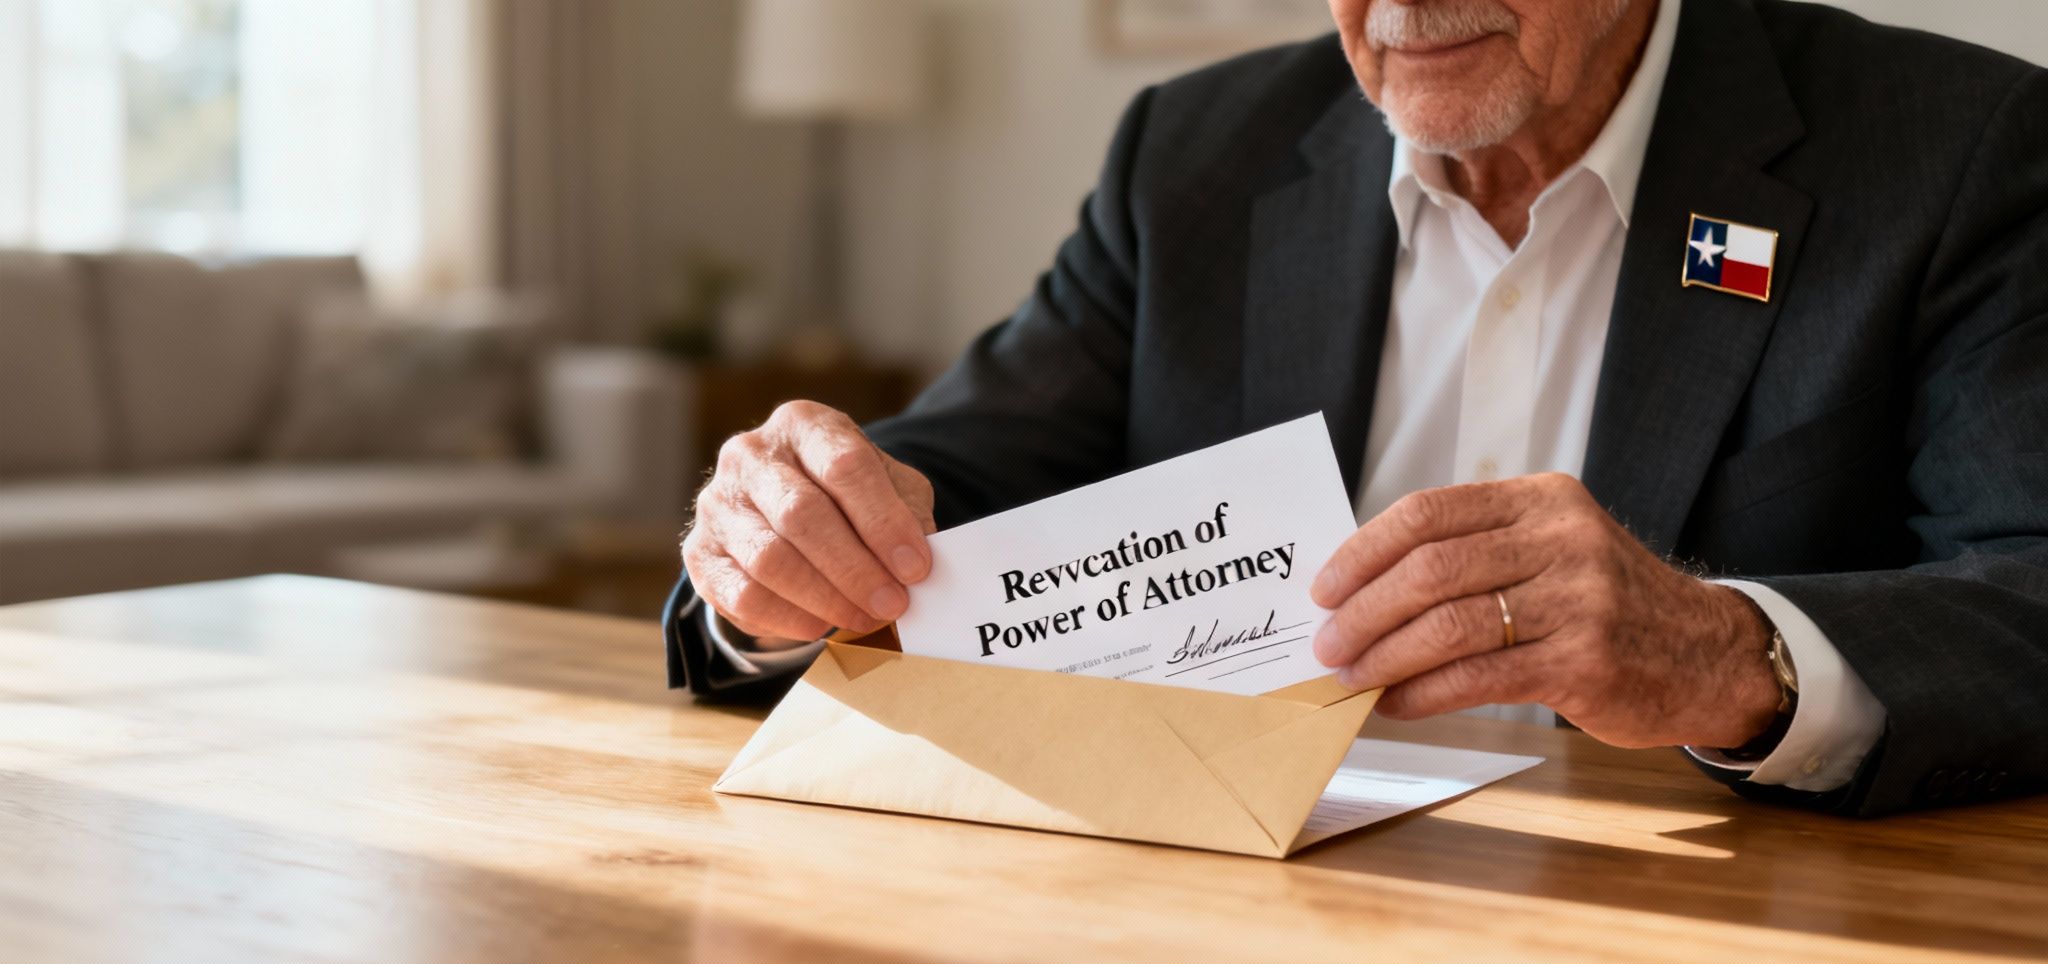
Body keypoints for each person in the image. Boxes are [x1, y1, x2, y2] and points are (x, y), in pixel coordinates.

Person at [666, 0, 2048, 815]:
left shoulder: (1958, 149)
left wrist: (1729, 651)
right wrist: (785, 547)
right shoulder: (1195, 155)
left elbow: (2029, 591)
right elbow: (947, 479)